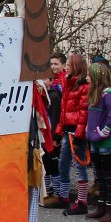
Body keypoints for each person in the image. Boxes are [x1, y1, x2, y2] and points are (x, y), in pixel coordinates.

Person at [53, 54, 90, 213]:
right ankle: (63, 196)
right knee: (63, 164)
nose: (66, 67)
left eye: (68, 64)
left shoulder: (83, 86)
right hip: (68, 131)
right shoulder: (68, 83)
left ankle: (82, 202)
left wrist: (79, 136)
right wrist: (58, 132)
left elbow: (83, 114)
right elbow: (63, 111)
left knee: (79, 166)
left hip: (75, 132)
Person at [84, 62, 111, 222]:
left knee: (109, 176)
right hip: (95, 142)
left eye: (89, 75)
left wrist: (101, 133)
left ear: (97, 78)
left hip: (107, 142)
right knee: (100, 177)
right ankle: (101, 207)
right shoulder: (94, 95)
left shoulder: (108, 95)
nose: (86, 78)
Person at [42, 52, 67, 201]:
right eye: (51, 64)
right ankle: (46, 192)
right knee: (47, 163)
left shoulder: (61, 85)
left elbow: (58, 113)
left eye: (56, 64)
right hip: (49, 130)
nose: (53, 67)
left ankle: (58, 193)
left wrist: (57, 134)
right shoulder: (50, 88)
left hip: (57, 130)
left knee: (55, 163)